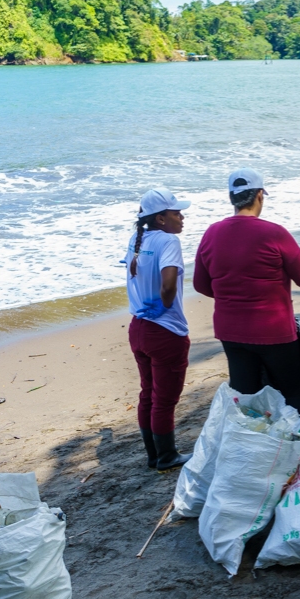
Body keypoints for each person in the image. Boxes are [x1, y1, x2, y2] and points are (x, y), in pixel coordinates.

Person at [194, 168, 300, 412]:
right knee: (298, 390)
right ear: (260, 195)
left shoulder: (211, 233)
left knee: (246, 395)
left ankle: (253, 444)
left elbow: (201, 284)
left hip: (230, 330)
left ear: (231, 198)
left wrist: (233, 294)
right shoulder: (275, 233)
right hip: (273, 330)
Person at [125, 188, 193, 472]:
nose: (182, 217)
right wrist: (165, 301)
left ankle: (153, 454)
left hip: (138, 326)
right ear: (161, 218)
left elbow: (134, 273)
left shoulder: (137, 239)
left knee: (148, 393)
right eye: (176, 212)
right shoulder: (168, 242)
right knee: (165, 399)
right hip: (165, 331)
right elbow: (168, 283)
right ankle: (166, 456)